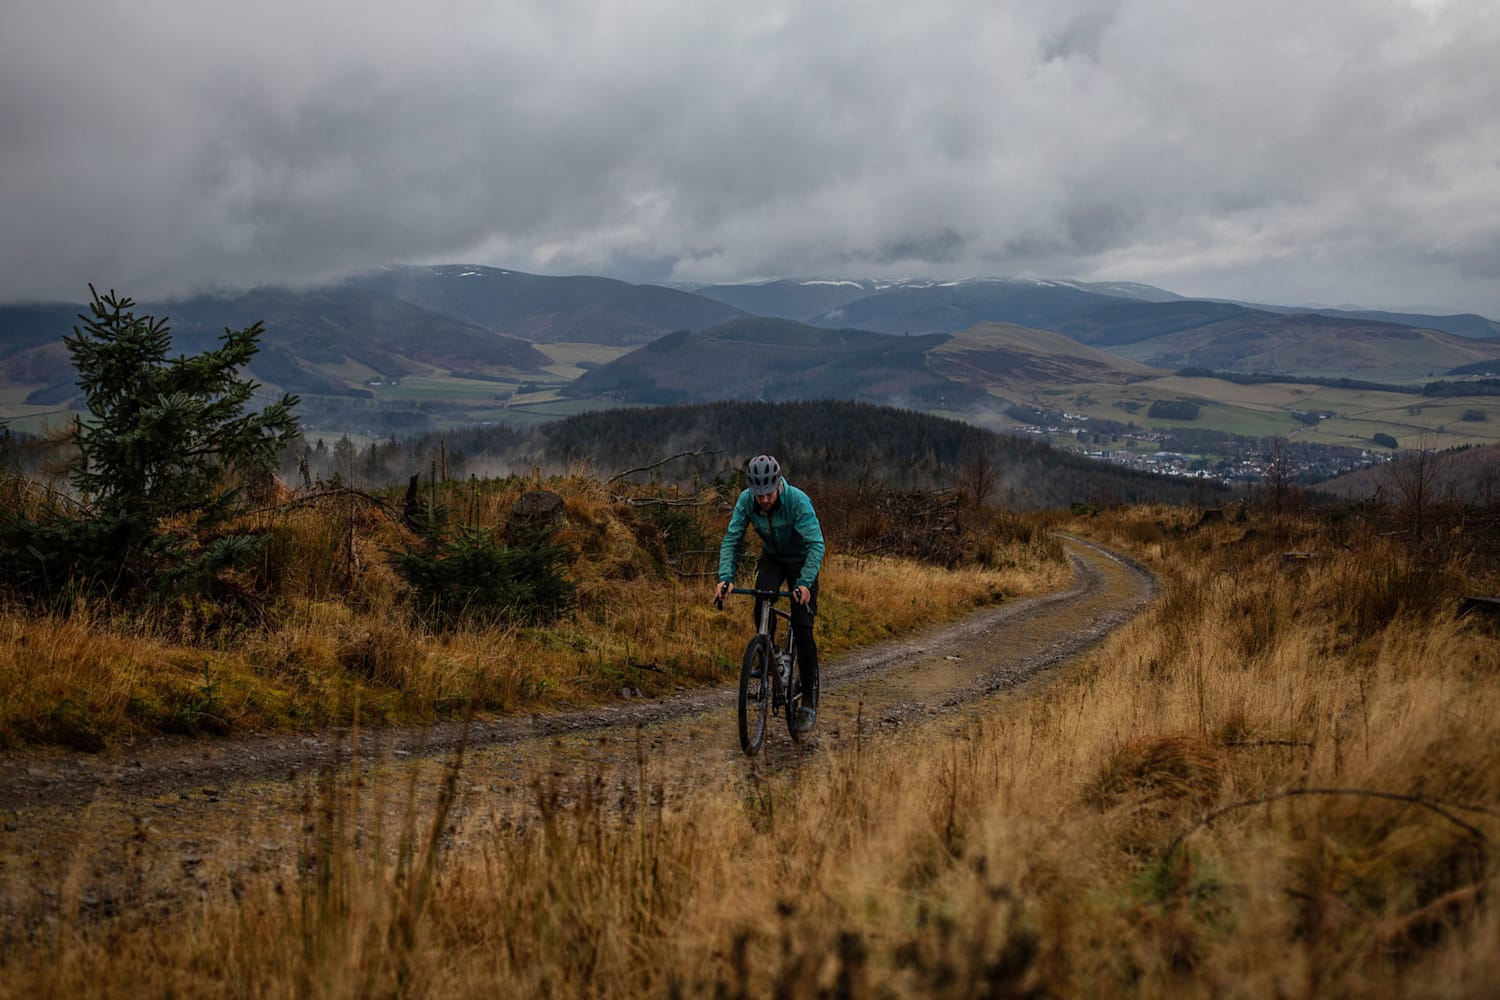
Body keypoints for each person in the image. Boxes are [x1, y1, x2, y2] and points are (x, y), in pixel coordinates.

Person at [714, 454, 825, 734]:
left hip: (802, 560)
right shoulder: (746, 501)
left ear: (778, 484)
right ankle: (770, 655)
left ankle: (808, 700)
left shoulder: (797, 501)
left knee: (802, 626)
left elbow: (816, 545)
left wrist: (804, 584)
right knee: (762, 598)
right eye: (758, 494)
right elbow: (732, 539)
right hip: (773, 557)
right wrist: (725, 578)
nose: (763, 500)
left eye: (768, 493)